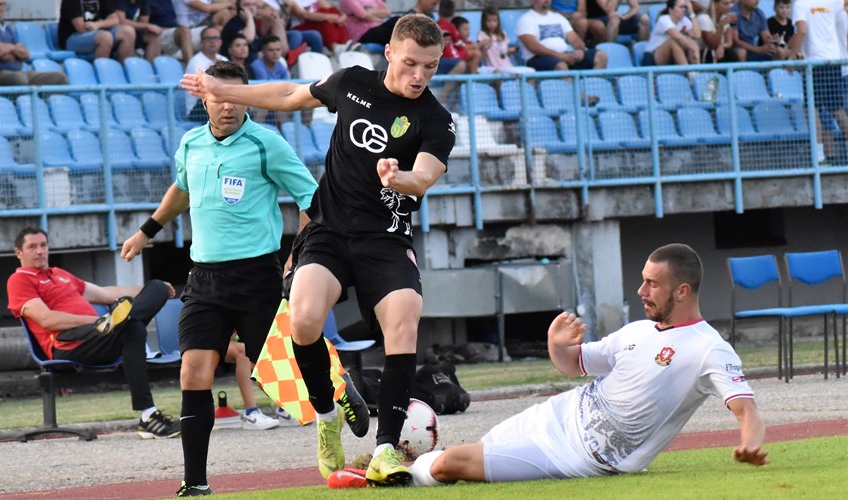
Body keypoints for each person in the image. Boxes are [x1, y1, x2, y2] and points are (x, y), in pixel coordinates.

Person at [180, 13, 456, 487]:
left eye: (430, 67)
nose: (419, 76)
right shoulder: (351, 83)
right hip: (329, 231)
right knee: (304, 320)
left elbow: (425, 177)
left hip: (385, 237)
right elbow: (288, 94)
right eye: (411, 63)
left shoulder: (435, 118)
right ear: (389, 53)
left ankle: (386, 450)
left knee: (405, 315)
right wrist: (224, 91)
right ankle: (327, 417)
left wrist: (400, 179)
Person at [121, 60, 321, 497]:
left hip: (257, 278)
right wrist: (146, 231)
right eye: (219, 97)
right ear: (204, 98)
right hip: (204, 279)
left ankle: (342, 411)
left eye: (235, 97)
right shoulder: (191, 144)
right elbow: (181, 189)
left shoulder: (267, 144)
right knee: (193, 372)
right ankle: (195, 482)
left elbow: (313, 199)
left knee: (291, 375)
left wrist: (297, 258)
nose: (227, 105)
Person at [410, 243, 768, 487]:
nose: (641, 291)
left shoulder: (709, 349)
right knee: (466, 456)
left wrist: (750, 445)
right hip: (555, 415)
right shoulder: (638, 331)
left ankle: (396, 476)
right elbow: (573, 364)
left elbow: (746, 411)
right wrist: (556, 343)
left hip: (576, 456)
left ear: (683, 291)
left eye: (652, 284)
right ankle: (396, 469)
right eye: (643, 280)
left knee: (449, 464)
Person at [7, 226, 180, 440]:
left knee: (154, 290)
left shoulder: (60, 275)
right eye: (32, 247)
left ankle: (148, 417)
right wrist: (98, 322)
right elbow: (47, 319)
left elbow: (106, 294)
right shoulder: (19, 280)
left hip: (99, 337)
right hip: (68, 344)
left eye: (43, 245)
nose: (40, 251)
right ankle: (148, 417)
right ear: (19, 253)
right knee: (131, 328)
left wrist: (150, 290)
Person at [790, 0, 848, 162]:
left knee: (812, 110)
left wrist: (791, 56)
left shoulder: (800, 4)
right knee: (838, 109)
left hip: (814, 64)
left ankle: (819, 157)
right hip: (834, 61)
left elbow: (801, 31)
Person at [0, 0, 68, 87]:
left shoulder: (7, 28)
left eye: (1, 4)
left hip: (19, 72)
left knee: (60, 78)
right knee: (19, 79)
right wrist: (15, 51)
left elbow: (25, 54)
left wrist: (10, 49)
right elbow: (1, 54)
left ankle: (45, 105)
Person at [516, 0, 608, 71]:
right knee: (560, 65)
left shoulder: (558, 18)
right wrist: (558, 55)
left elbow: (575, 40)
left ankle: (592, 91)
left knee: (600, 56)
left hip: (564, 56)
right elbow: (533, 47)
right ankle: (578, 95)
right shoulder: (525, 20)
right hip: (538, 58)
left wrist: (580, 50)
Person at [212, 334, 280, 430]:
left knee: (269, 344)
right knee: (244, 350)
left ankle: (285, 406)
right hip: (198, 341)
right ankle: (251, 412)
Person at [59, 0, 137, 62]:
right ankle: (102, 74)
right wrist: (101, 27)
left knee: (128, 32)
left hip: (97, 31)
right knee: (105, 38)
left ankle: (123, 74)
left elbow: (115, 19)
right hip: (72, 38)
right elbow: (81, 28)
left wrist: (98, 24)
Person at [185, 25, 227, 120]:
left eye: (216, 38)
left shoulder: (224, 59)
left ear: (220, 42)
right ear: (201, 42)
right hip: (198, 110)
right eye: (208, 38)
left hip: (220, 104)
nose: (213, 41)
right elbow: (206, 90)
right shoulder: (196, 62)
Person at [641, 0, 701, 66]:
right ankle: (689, 72)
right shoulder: (663, 20)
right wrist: (694, 48)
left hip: (670, 58)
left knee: (692, 40)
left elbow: (697, 35)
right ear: (671, 9)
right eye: (681, 7)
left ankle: (696, 70)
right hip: (652, 57)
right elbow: (677, 37)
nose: (684, 10)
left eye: (685, 7)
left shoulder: (684, 20)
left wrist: (691, 12)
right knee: (673, 41)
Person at [476, 6, 533, 74]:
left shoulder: (503, 34)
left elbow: (504, 52)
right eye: (489, 21)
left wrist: (513, 50)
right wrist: (483, 45)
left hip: (507, 66)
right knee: (498, 73)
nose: (492, 24)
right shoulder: (482, 35)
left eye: (494, 20)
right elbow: (479, 53)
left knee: (531, 71)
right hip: (493, 67)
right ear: (484, 22)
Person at [285, 0, 352, 55]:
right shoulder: (291, 1)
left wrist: (340, 17)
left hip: (316, 25)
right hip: (299, 26)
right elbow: (304, 15)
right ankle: (335, 47)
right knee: (323, 17)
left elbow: (332, 10)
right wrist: (330, 17)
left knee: (330, 11)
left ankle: (345, 43)